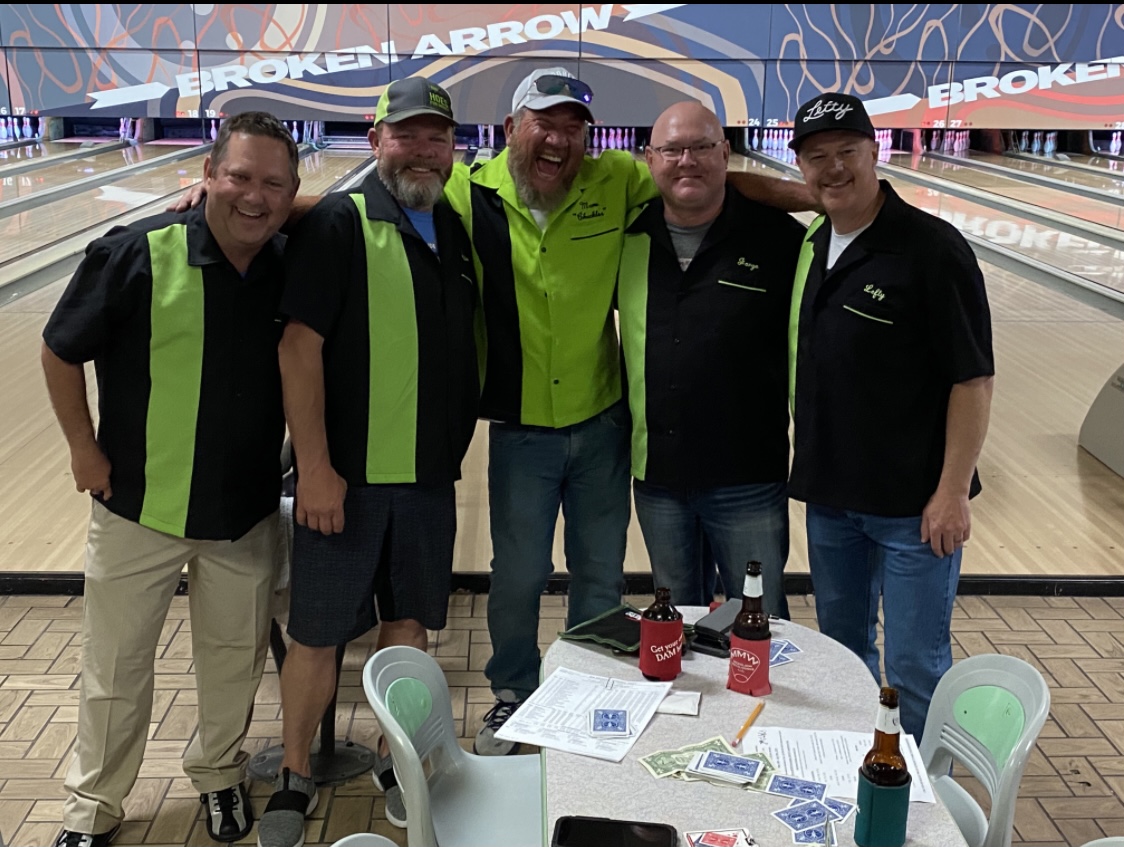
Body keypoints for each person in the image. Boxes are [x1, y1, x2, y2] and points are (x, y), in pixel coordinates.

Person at [168, 68, 814, 757]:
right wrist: (254, 202)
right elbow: (367, 198)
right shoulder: (467, 191)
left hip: (601, 424)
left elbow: (712, 178)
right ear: (511, 131)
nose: (560, 137)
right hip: (520, 430)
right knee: (517, 576)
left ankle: (591, 684)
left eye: (574, 125)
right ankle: (515, 694)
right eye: (545, 122)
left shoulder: (617, 180)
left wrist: (819, 194)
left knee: (597, 574)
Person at [41, 112, 300, 847]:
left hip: (243, 513)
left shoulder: (288, 260)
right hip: (136, 509)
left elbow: (346, 212)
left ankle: (219, 775)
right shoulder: (138, 253)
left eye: (272, 184)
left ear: (292, 191)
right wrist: (81, 449)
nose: (254, 196)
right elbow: (60, 350)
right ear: (208, 175)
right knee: (115, 669)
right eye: (239, 177)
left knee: (231, 661)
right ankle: (92, 808)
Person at [256, 77, 479, 847]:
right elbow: (298, 346)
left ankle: (395, 755)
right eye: (406, 134)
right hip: (343, 481)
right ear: (375, 137)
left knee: (407, 627)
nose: (421, 149)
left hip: (424, 481)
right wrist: (313, 467)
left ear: (454, 148)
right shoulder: (343, 223)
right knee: (318, 633)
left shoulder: (453, 229)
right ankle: (292, 772)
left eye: (436, 137)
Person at [787, 93, 995, 739]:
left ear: (876, 152)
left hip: (913, 507)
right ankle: (862, 764)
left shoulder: (932, 249)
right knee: (845, 649)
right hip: (832, 498)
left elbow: (973, 378)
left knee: (914, 663)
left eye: (847, 152)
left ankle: (926, 800)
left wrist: (952, 492)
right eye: (816, 158)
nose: (833, 169)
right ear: (800, 165)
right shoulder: (817, 238)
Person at [617, 101, 803, 616]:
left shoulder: (781, 240)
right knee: (674, 620)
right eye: (672, 150)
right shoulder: (627, 236)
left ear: (726, 153)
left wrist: (816, 195)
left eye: (701, 148)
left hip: (748, 478)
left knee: (761, 625)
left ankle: (759, 702)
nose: (686, 161)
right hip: (659, 479)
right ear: (649, 159)